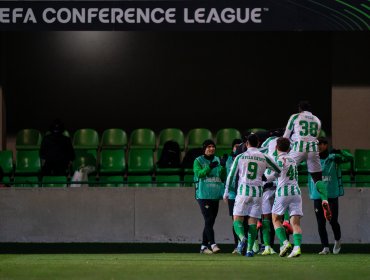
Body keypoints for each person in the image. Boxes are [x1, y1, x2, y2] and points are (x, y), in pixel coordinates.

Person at [223, 134, 281, 257]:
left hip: (243, 192)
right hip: (258, 194)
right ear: (259, 143)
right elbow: (278, 170)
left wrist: (226, 191)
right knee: (252, 222)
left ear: (247, 143)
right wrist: (267, 178)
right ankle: (249, 250)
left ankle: (242, 238)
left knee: (237, 219)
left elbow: (232, 175)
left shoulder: (240, 156)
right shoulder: (264, 156)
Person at [283, 100, 332, 221]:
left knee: (284, 174)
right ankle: (324, 199)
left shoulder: (295, 117)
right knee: (317, 178)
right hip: (313, 149)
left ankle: (284, 216)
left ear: (300, 109)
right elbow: (314, 136)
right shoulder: (317, 120)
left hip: (298, 148)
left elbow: (285, 137)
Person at [308, 137, 353, 255]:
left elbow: (350, 158)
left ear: (326, 145)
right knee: (320, 222)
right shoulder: (311, 160)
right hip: (317, 195)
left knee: (333, 220)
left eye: (322, 144)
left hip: (332, 194)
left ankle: (337, 240)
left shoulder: (334, 158)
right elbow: (298, 165)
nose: (319, 147)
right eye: (317, 144)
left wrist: (340, 151)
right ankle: (325, 247)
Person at [267, 137, 303, 258]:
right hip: (296, 192)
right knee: (295, 222)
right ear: (288, 148)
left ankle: (285, 243)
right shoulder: (293, 159)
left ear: (276, 147)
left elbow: (270, 176)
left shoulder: (278, 160)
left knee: (275, 219)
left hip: (283, 192)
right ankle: (297, 248)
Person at [194, 139, 226, 254]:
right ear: (204, 149)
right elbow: (199, 174)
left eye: (213, 146)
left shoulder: (218, 159)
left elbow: (223, 177)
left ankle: (203, 246)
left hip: (215, 195)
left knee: (210, 221)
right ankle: (213, 244)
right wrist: (209, 167)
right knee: (208, 219)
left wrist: (222, 166)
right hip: (203, 195)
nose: (211, 148)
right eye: (208, 146)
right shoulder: (198, 160)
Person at [223, 138, 243, 253]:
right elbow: (227, 176)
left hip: (243, 193)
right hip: (232, 194)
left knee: (245, 220)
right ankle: (237, 245)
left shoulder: (244, 158)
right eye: (235, 145)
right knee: (235, 220)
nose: (236, 147)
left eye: (238, 145)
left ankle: (248, 243)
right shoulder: (228, 159)